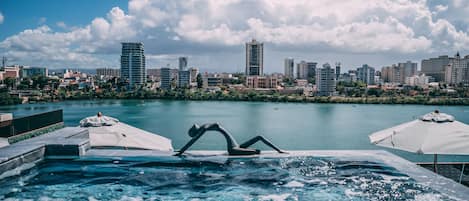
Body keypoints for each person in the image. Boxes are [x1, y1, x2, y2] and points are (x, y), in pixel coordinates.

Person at [175, 122, 286, 156]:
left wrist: (181, 151)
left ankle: (279, 150)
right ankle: (279, 151)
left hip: (234, 148)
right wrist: (181, 151)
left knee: (259, 138)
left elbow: (193, 141)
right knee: (257, 151)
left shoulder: (204, 127)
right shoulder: (204, 126)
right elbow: (193, 140)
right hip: (233, 149)